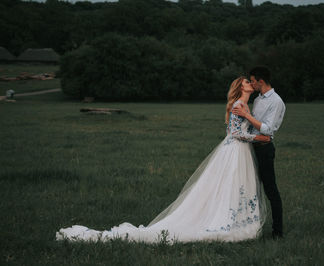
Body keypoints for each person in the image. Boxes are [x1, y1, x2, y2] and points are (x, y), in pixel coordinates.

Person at [56, 76, 271, 243]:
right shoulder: (237, 106)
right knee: (229, 185)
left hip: (242, 151)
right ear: (240, 87)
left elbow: (244, 128)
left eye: (250, 81)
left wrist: (260, 132)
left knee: (239, 186)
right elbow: (233, 132)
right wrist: (256, 137)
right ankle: (226, 221)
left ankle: (241, 220)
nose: (250, 83)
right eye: (246, 82)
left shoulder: (245, 106)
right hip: (234, 150)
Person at [232, 66, 286, 239]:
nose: (252, 83)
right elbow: (251, 126)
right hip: (251, 148)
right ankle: (250, 225)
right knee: (250, 188)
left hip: (264, 150)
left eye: (253, 80)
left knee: (270, 190)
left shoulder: (276, 102)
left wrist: (246, 115)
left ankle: (278, 231)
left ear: (261, 81)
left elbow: (268, 129)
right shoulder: (257, 100)